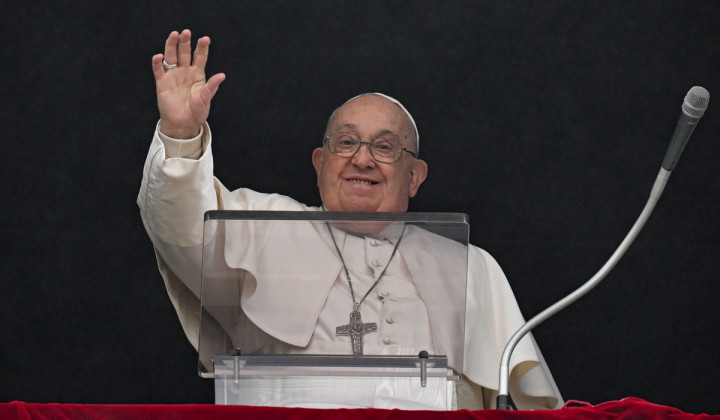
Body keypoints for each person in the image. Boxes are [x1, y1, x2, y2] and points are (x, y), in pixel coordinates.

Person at [139, 29, 562, 410]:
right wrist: (180, 135)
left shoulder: (473, 269)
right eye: (346, 143)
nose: (362, 159)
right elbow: (179, 228)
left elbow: (523, 405)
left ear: (414, 177)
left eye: (385, 147)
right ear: (320, 164)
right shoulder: (257, 225)